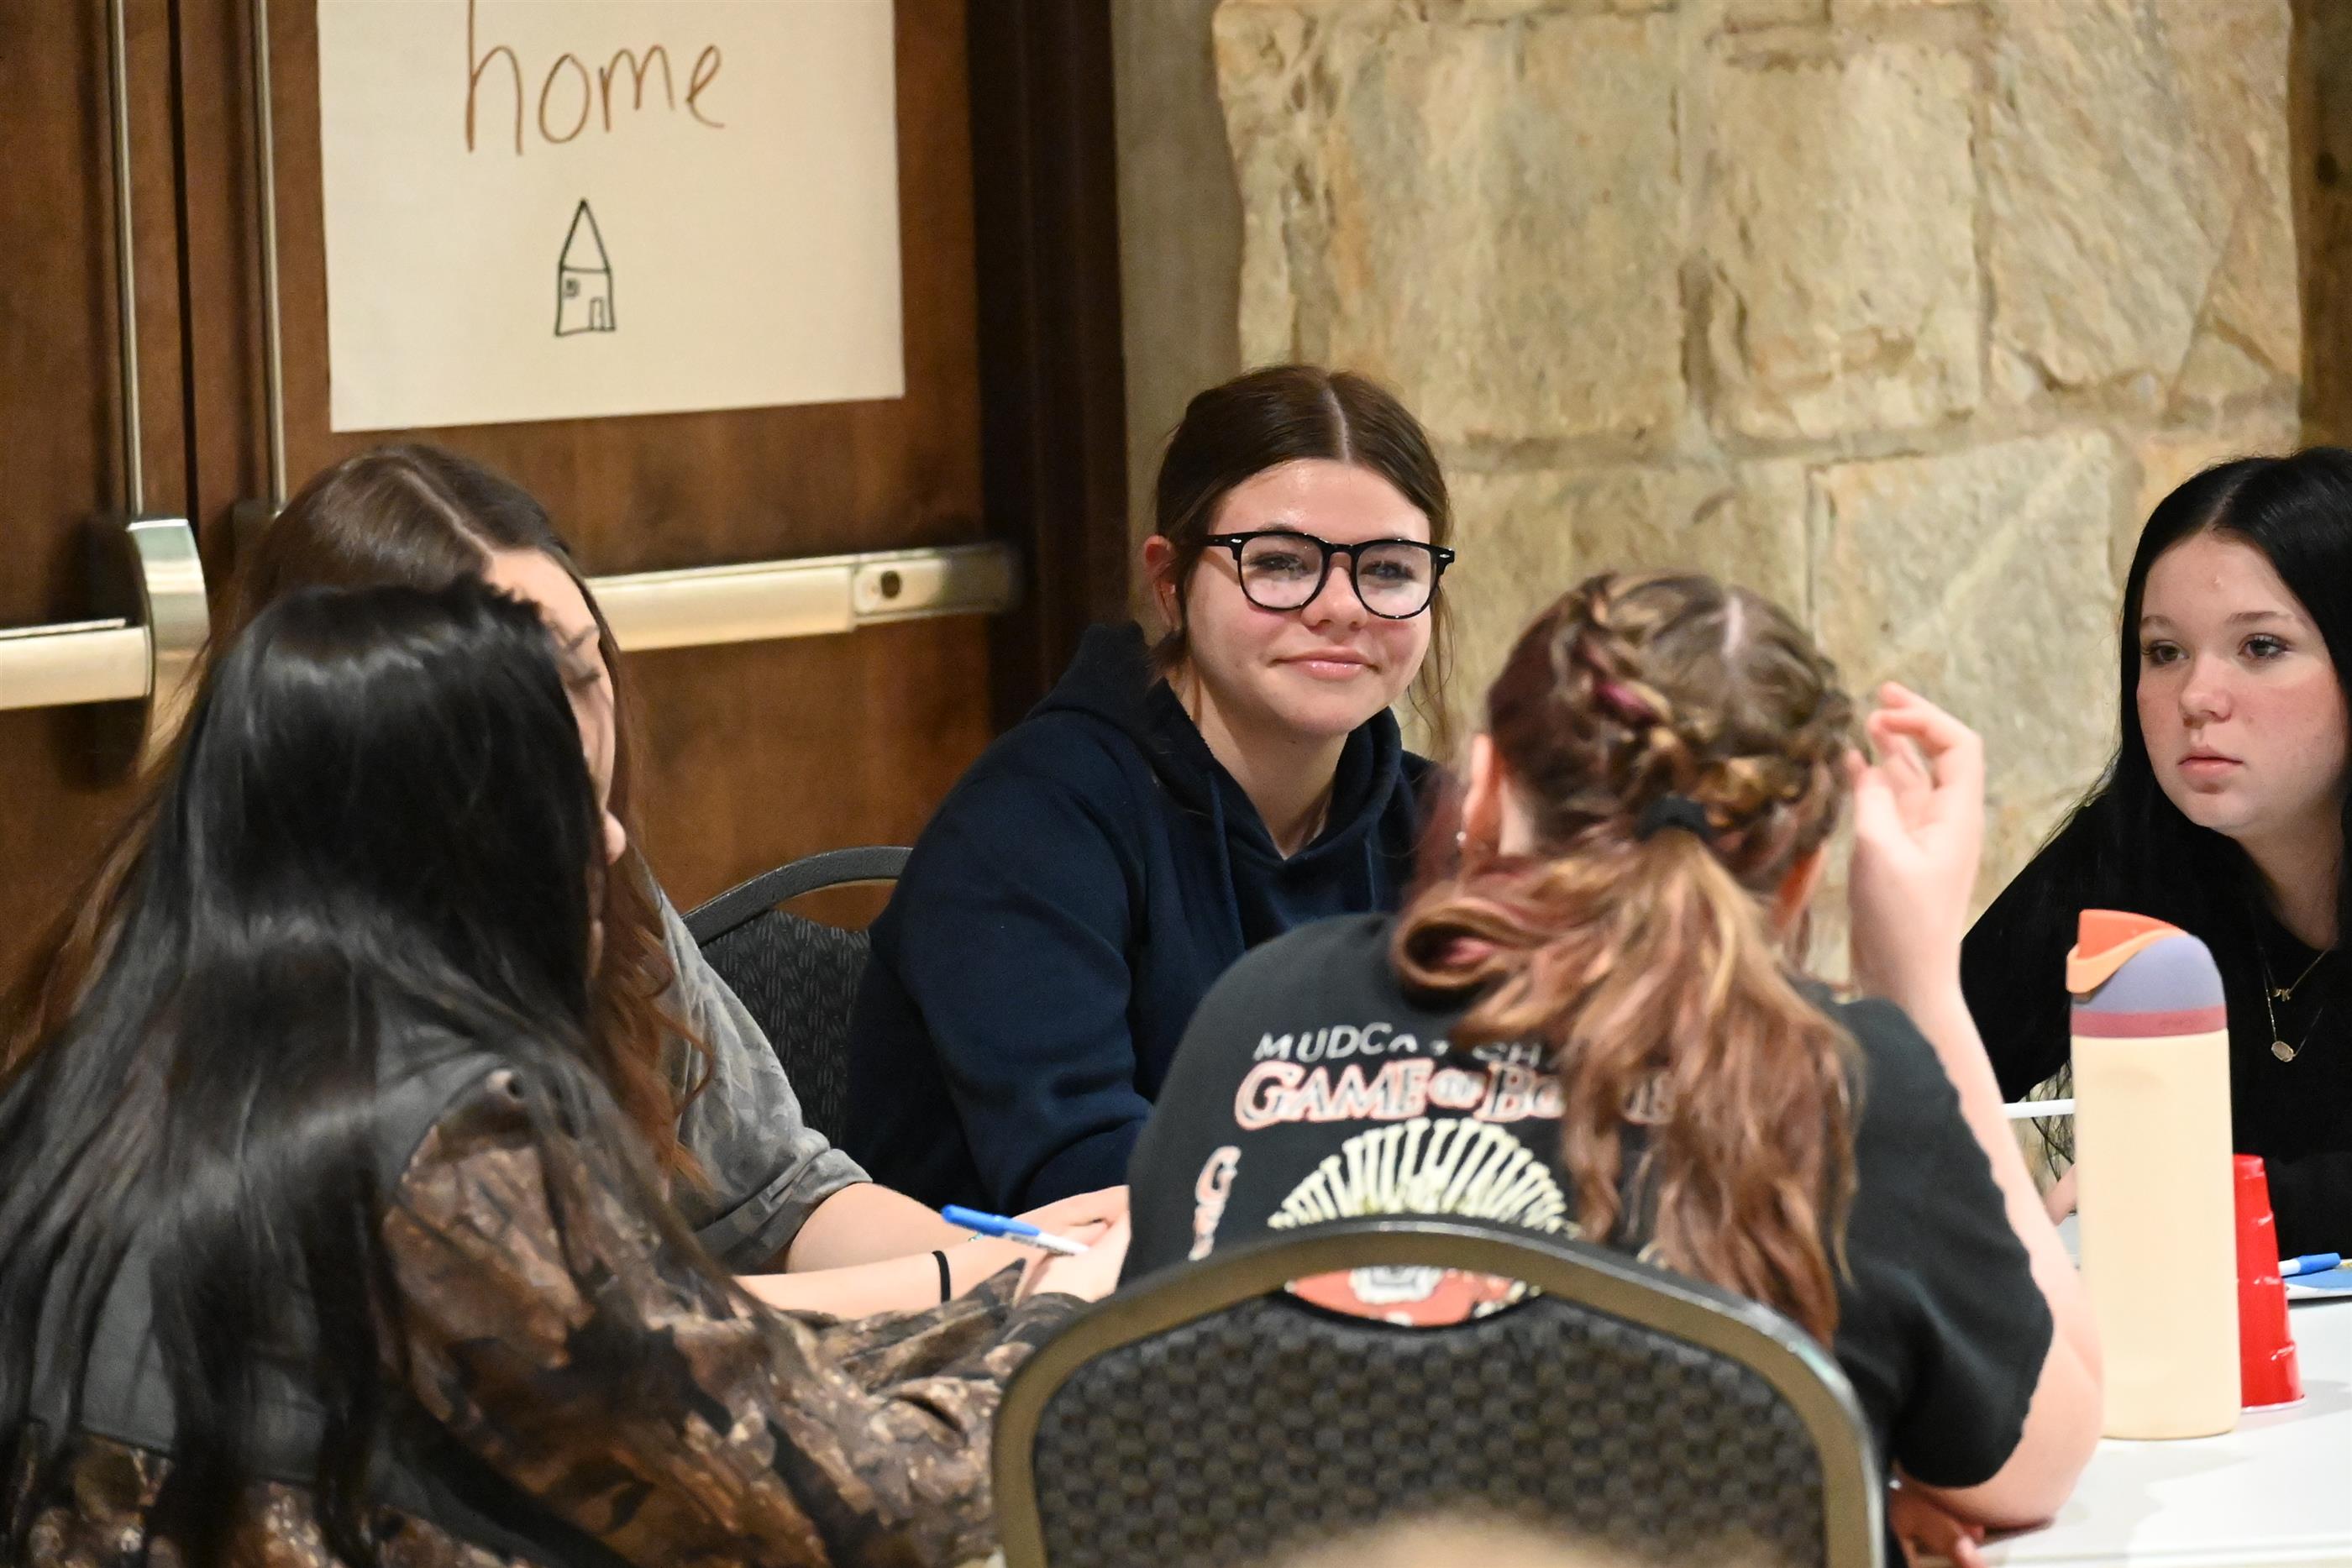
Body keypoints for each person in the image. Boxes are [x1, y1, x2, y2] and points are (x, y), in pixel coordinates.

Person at [0, 579, 1127, 1567]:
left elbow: (683, 1387)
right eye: (559, 801)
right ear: (437, 841)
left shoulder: (91, 1078)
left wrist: (988, 1288)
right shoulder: (442, 1141)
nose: (614, 843)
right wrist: (1059, 1316)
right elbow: (852, 1514)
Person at [1124, 572, 2101, 1565]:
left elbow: (1156, 1431)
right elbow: (2039, 1462)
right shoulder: (1842, 1079)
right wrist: (1921, 985)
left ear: (1485, 789)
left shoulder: (1261, 1008)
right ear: (1801, 870)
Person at [9, 444, 1116, 1317]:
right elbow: (608, 1349)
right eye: (511, 701)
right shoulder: (265, 1007)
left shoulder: (593, 869)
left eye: (582, 675)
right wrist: (984, 1284)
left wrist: (1036, 1256)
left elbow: (772, 1197)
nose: (571, 735)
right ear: (364, 727)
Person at [846, 364, 1454, 1209]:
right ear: (1170, 582)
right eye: (1280, 563)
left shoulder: (1444, 828)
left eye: (1388, 570)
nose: (1340, 607)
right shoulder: (1028, 825)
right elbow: (1085, 1171)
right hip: (1033, 1286)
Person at [1963, 449, 2352, 1254]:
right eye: (2164, 652)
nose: (2197, 698)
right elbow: (1926, 1071)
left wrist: (2206, 1197)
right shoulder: (2132, 847)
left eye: (2261, 647)